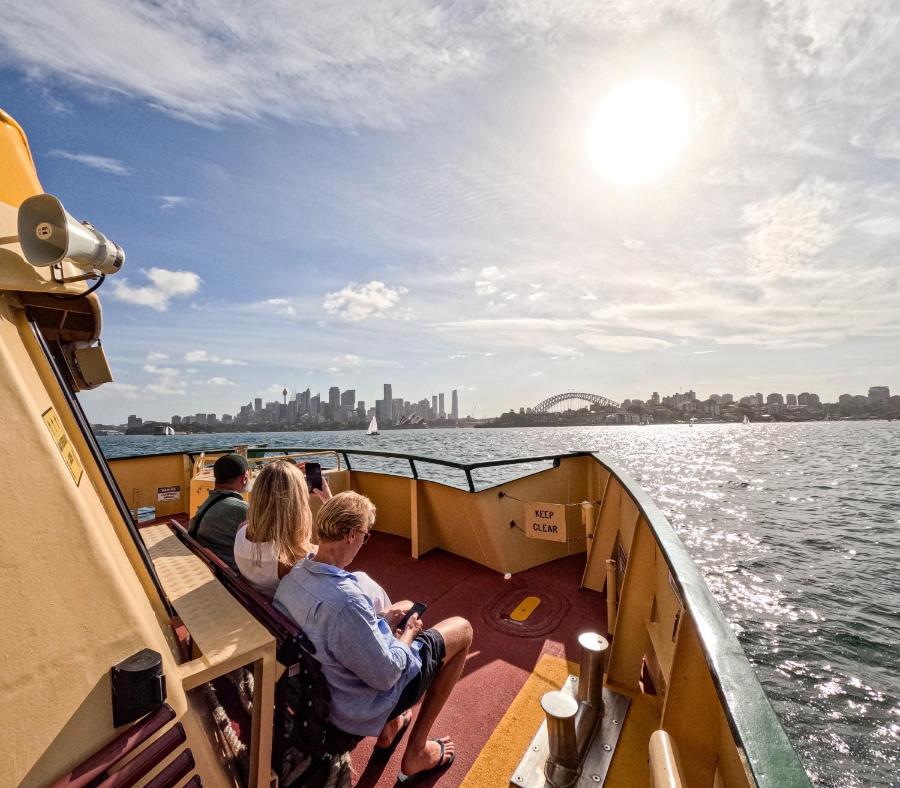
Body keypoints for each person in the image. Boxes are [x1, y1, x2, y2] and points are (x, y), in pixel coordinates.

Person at [274, 491, 473, 783]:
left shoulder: (294, 577)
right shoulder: (347, 601)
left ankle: (390, 729)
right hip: (349, 709)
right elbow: (388, 675)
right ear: (352, 535)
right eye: (365, 536)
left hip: (314, 692)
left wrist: (380, 623)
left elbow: (331, 634)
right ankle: (417, 752)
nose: (363, 542)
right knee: (462, 629)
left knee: (401, 607)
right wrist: (408, 634)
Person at [234, 460, 391, 611]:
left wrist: (285, 475)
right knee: (367, 584)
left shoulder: (242, 531)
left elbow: (267, 509)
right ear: (296, 503)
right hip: (299, 612)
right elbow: (338, 560)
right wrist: (329, 501)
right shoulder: (294, 557)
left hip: (269, 610)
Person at [188, 452, 250, 571]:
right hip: (228, 573)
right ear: (244, 479)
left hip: (208, 562)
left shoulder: (208, 502)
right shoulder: (243, 510)